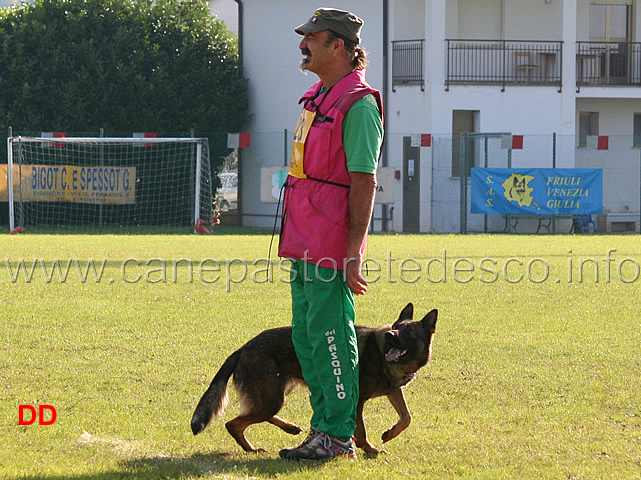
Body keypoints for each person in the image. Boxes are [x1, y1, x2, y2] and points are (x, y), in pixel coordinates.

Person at [278, 7, 384, 461]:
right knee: (305, 337)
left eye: (313, 38)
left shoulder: (358, 105)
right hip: (303, 236)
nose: (304, 45)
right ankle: (323, 429)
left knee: (330, 336)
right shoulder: (318, 97)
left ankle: (338, 435)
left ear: (338, 46)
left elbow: (364, 181)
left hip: (329, 242)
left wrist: (354, 249)